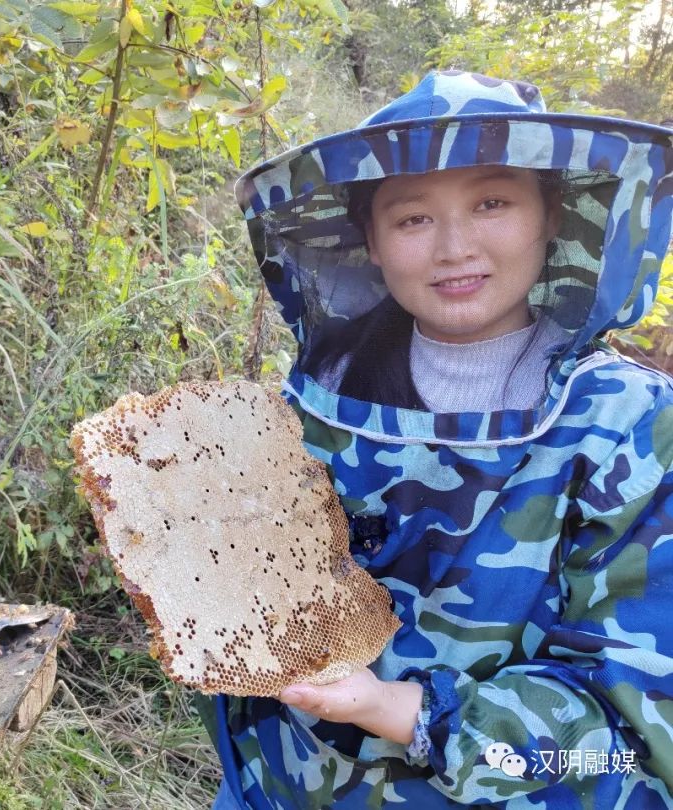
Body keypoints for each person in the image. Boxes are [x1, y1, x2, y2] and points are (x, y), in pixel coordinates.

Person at [196, 70, 673, 808]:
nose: (454, 247)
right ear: (372, 241)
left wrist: (401, 711)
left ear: (552, 214)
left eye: (492, 202)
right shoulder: (323, 392)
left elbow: (632, 735)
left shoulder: (632, 427)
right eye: (413, 217)